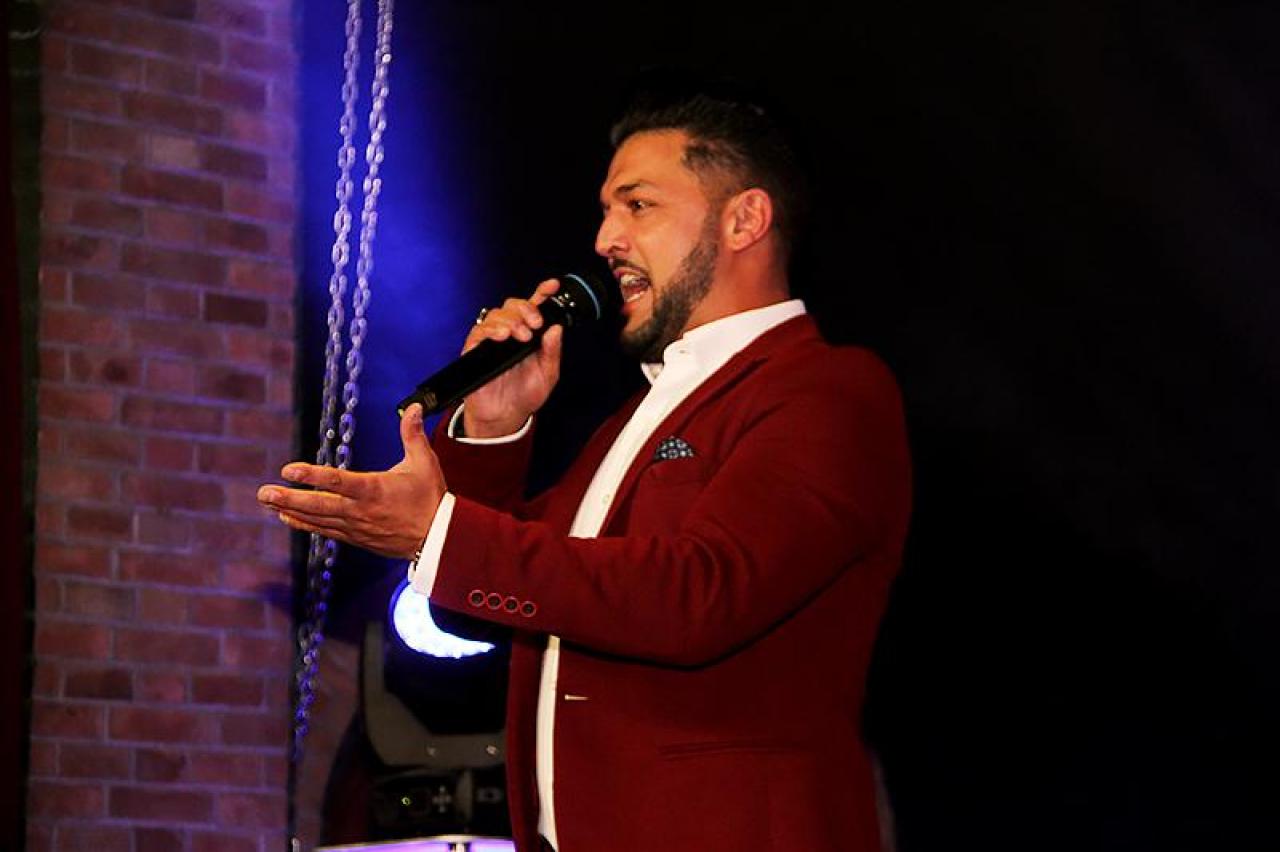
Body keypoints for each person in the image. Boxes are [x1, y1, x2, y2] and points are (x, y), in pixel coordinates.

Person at [259, 78, 911, 852]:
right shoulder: (629, 423)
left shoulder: (827, 389)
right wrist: (493, 431)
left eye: (638, 205)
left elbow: (699, 594)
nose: (605, 238)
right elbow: (478, 607)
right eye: (606, 210)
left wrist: (440, 533)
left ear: (744, 219)